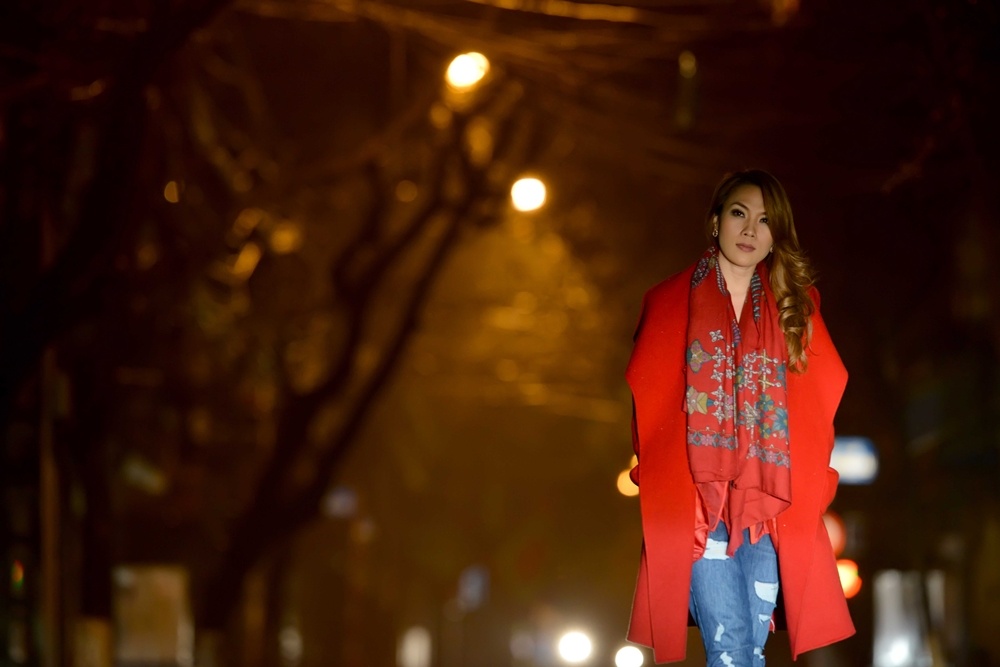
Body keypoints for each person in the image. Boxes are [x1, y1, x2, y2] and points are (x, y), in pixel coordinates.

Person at [625, 169, 854, 665]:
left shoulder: (796, 310)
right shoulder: (668, 303)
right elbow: (648, 406)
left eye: (765, 220)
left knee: (750, 649)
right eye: (739, 213)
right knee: (729, 647)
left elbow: (818, 409)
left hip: (768, 508)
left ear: (776, 235)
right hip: (698, 510)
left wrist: (818, 482)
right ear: (715, 222)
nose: (751, 229)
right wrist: (655, 479)